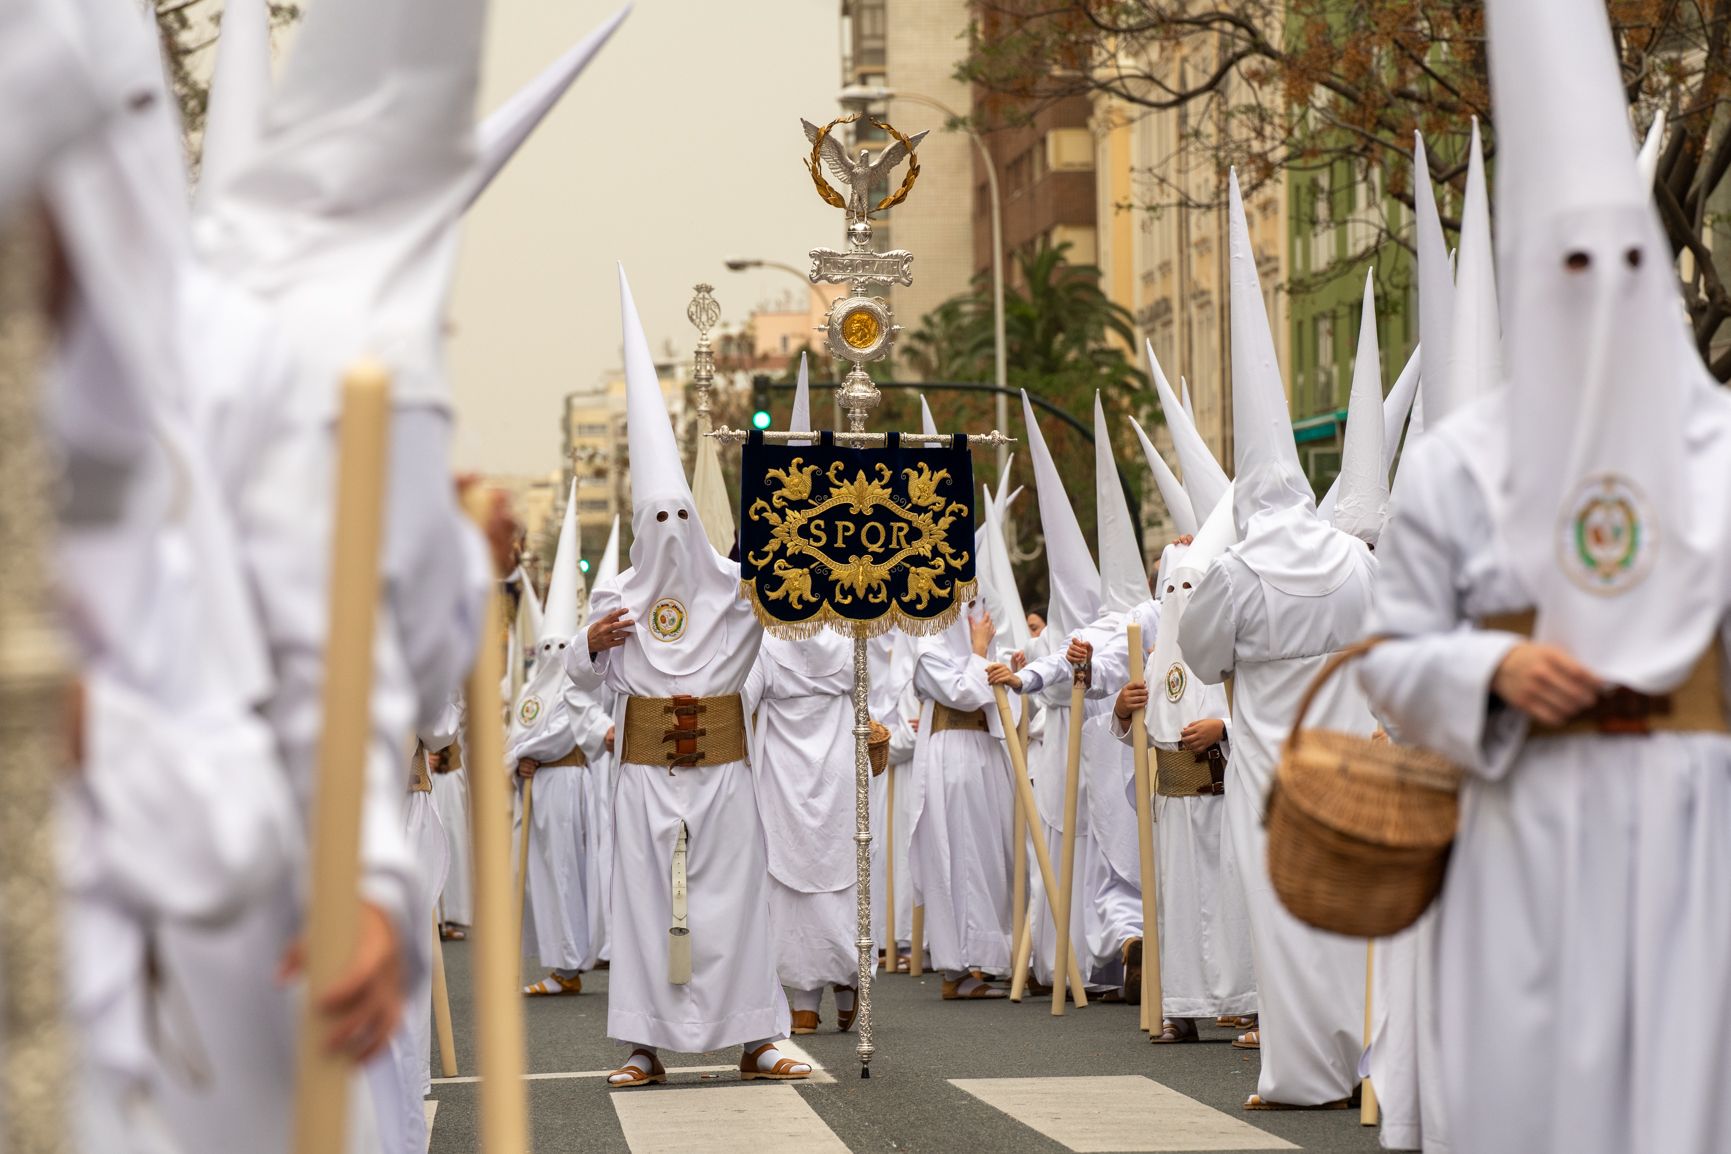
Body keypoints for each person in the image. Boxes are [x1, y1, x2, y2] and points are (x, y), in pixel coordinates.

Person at [1359, 2, 1731, 1150]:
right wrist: (1494, 664)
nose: (1599, 290)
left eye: (1625, 264)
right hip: (1519, 834)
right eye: (1571, 266)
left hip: (1697, 842)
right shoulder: (1461, 466)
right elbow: (1392, 658)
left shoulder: (1718, 446)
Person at [569, 269, 808, 1088]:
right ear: (640, 526)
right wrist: (589, 642)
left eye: (683, 518)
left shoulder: (736, 595)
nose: (672, 534)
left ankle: (754, 1037)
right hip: (643, 770)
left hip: (721, 770)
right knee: (644, 905)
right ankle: (644, 1045)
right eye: (657, 520)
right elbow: (580, 676)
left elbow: (796, 599)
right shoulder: (615, 598)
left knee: (733, 901)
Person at [1178, 170, 1373, 1111]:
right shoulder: (1350, 559)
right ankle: (1370, 1054)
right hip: (1345, 752)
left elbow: (1201, 658)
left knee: (1283, 914)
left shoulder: (1237, 574)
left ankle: (1301, 1071)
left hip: (1268, 761)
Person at [1109, 504, 1255, 1044]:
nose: (1181, 599)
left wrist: (1223, 726)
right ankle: (1179, 1007)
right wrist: (1124, 711)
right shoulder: (1156, 659)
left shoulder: (1236, 650)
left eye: (1192, 587)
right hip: (1172, 798)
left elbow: (1258, 715)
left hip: (1222, 793)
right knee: (1179, 906)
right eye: (1172, 590)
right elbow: (1140, 729)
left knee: (1231, 902)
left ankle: (1246, 1004)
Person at [507, 482, 608, 996]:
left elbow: (555, 735)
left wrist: (524, 754)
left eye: (560, 645)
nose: (551, 651)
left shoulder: (576, 685)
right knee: (545, 879)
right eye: (546, 644)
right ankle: (558, 960)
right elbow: (521, 732)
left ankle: (570, 964)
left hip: (567, 786)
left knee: (567, 874)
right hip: (539, 790)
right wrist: (518, 759)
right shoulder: (533, 687)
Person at [908, 601, 1020, 999]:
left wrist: (1011, 670)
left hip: (986, 753)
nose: (975, 612)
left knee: (991, 853)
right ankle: (956, 967)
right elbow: (965, 693)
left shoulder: (980, 643)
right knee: (957, 854)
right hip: (952, 755)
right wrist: (977, 653)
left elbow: (1001, 690)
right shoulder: (928, 646)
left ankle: (989, 957)